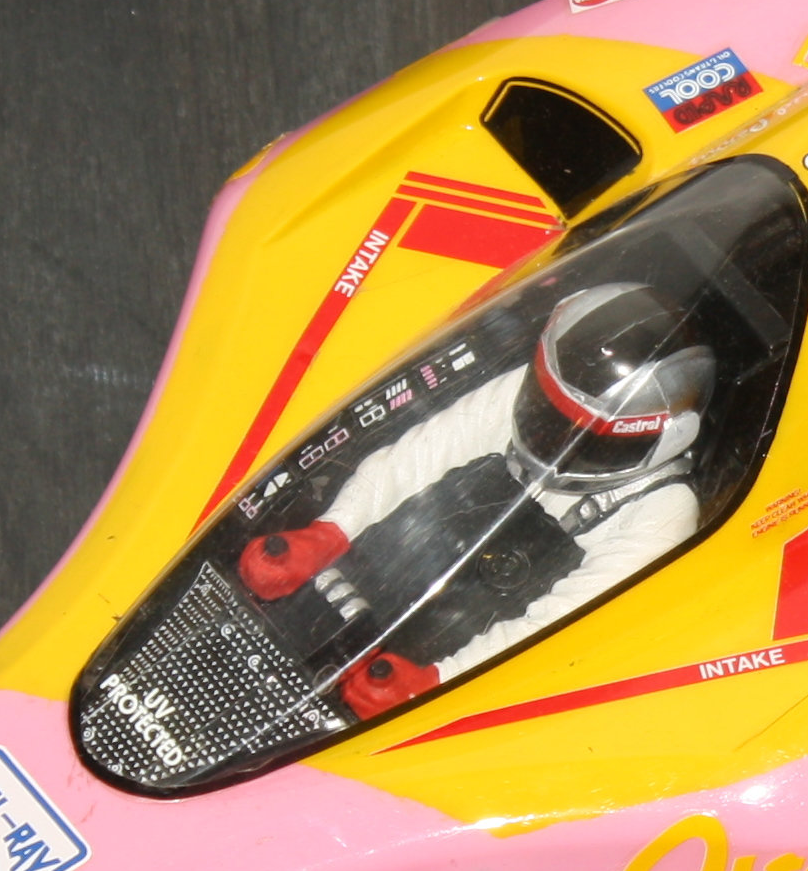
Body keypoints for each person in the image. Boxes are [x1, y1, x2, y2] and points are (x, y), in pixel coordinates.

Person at [236, 283, 711, 717]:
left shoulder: (663, 513)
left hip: (475, 665)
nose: (551, 440)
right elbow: (421, 454)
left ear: (664, 438)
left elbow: (555, 630)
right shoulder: (538, 389)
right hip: (414, 565)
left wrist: (438, 684)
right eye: (547, 413)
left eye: (584, 438)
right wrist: (330, 531)